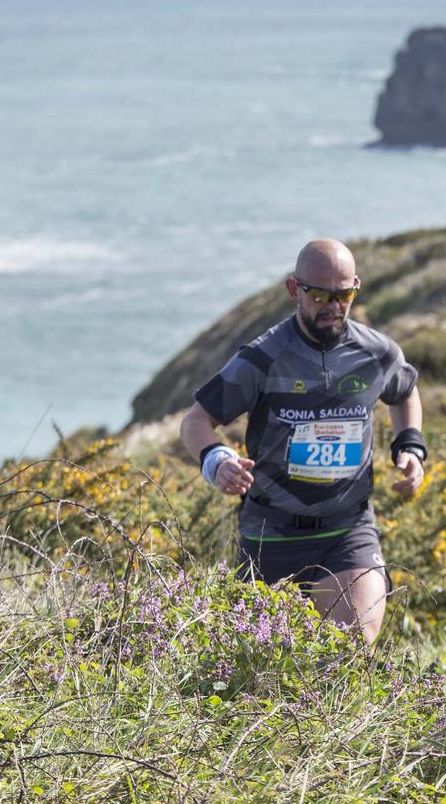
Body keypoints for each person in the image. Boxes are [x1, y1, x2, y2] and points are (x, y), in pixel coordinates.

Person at [179, 239, 425, 644]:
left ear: (356, 288)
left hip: (348, 530)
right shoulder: (263, 358)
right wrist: (217, 460)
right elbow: (196, 421)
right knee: (261, 668)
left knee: (349, 647)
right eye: (319, 294)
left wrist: (410, 446)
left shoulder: (376, 353)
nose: (333, 306)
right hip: (271, 531)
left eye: (344, 294)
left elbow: (405, 391)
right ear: (294, 290)